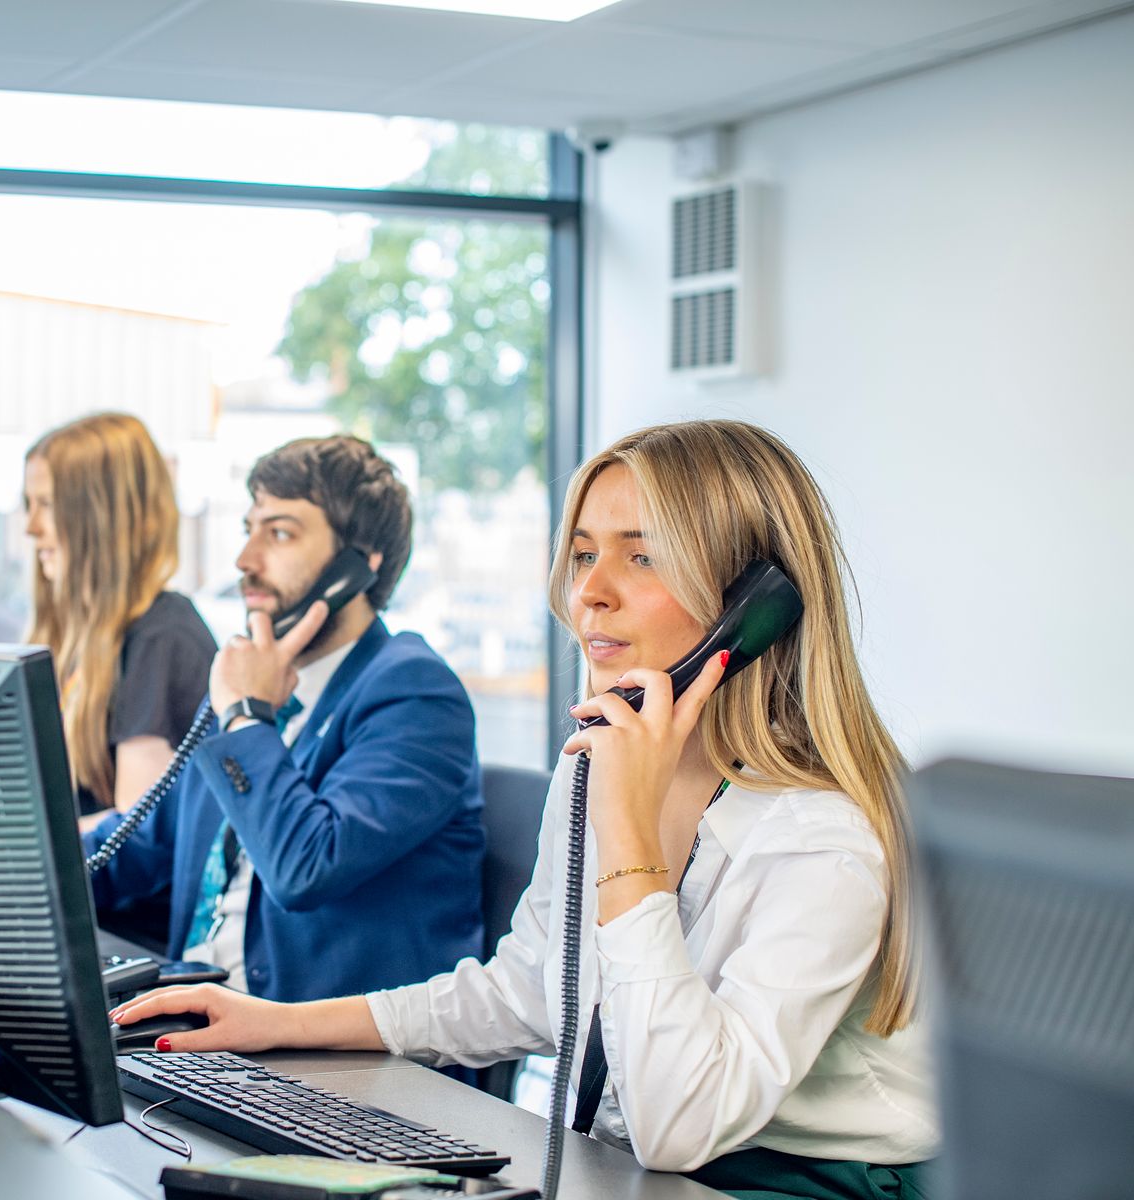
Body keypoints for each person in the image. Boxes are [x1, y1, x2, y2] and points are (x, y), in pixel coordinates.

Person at [109, 420, 937, 1199]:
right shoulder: (595, 770)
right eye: (582, 556)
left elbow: (679, 1123)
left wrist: (631, 839)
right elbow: (527, 991)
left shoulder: (819, 835)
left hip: (795, 1182)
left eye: (642, 558)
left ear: (758, 603)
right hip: (630, 1167)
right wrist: (283, 1025)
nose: (590, 595)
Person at [84, 434, 485, 1002]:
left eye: (279, 533)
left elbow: (307, 867)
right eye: (248, 530)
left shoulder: (414, 694)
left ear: (357, 564)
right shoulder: (246, 687)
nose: (245, 561)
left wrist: (247, 718)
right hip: (196, 1028)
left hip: (331, 1064)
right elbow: (138, 846)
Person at [23, 412, 217, 820]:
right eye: (29, 505)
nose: (31, 527)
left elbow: (131, 832)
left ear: (101, 516)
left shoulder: (162, 638)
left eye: (47, 505)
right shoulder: (82, 638)